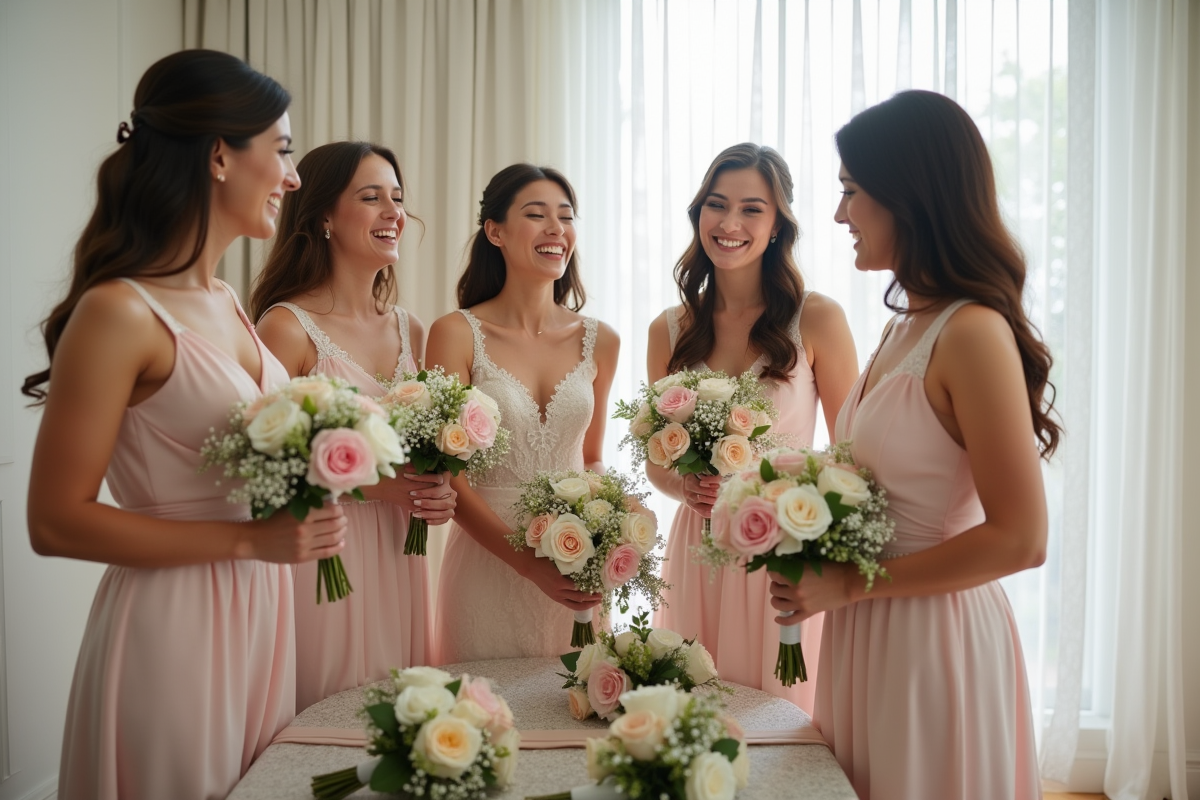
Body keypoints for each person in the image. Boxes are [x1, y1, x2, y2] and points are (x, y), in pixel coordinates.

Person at [23, 50, 347, 800]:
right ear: (219, 156)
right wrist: (247, 538)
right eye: (284, 151)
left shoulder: (230, 302)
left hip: (262, 611)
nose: (294, 179)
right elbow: (55, 522)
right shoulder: (120, 311)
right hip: (175, 624)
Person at [769, 90, 1056, 799]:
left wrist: (850, 583)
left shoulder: (972, 333)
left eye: (851, 192)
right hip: (870, 632)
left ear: (909, 195)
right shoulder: (904, 327)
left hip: (936, 639)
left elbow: (1022, 539)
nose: (838, 216)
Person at [645, 143, 859, 712]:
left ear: (778, 224)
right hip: (699, 547)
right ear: (699, 216)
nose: (730, 223)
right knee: (696, 711)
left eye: (752, 209)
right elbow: (657, 462)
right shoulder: (669, 330)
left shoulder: (817, 318)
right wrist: (685, 486)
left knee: (785, 716)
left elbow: (852, 452)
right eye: (717, 205)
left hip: (783, 546)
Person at [253, 141, 456, 709]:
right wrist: (381, 485)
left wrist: (438, 488)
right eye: (371, 198)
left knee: (402, 710)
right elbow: (266, 471)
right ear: (321, 216)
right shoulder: (286, 328)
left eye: (396, 197)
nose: (394, 212)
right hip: (327, 555)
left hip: (401, 557)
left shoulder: (412, 330)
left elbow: (426, 448)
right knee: (330, 714)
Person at [425, 164, 619, 662]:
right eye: (536, 215)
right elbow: (448, 475)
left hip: (577, 562)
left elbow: (591, 457)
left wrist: (616, 520)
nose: (556, 229)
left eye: (566, 217)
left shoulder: (602, 340)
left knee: (577, 713)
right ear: (496, 231)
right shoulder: (454, 333)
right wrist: (529, 565)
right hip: (487, 563)